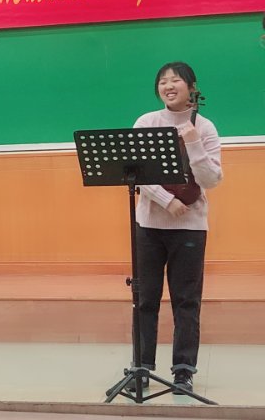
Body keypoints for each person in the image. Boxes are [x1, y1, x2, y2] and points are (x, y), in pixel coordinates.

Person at [131, 61, 222, 393]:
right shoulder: (147, 122)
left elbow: (211, 180)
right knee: (146, 298)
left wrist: (194, 142)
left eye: (176, 81)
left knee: (186, 300)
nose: (168, 86)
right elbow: (136, 171)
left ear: (191, 88)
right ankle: (142, 366)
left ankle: (183, 371)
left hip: (190, 227)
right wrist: (165, 200)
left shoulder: (205, 127)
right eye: (163, 81)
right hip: (149, 225)